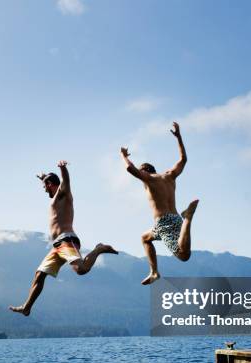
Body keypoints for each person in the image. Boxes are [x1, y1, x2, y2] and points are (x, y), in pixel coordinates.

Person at [10, 160, 118, 316]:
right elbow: (51, 182)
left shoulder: (63, 194)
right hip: (57, 245)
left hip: (67, 240)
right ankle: (27, 307)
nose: (43, 190)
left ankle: (98, 249)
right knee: (39, 274)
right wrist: (43, 178)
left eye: (45, 186)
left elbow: (66, 182)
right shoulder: (55, 198)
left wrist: (63, 169)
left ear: (51, 184)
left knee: (81, 270)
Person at [120, 122, 199, 285]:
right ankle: (154, 272)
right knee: (145, 237)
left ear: (144, 172)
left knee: (184, 255)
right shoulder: (169, 176)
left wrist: (124, 155)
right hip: (173, 219)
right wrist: (179, 137)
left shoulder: (149, 179)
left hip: (164, 223)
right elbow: (183, 159)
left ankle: (188, 218)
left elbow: (130, 169)